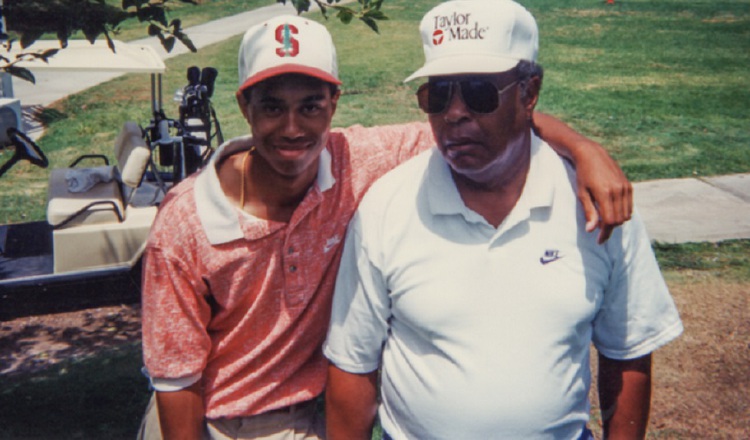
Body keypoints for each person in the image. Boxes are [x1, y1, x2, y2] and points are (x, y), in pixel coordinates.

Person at [138, 10, 633, 440]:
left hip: (312, 413)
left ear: (334, 102)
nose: (292, 128)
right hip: (214, 419)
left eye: (310, 105)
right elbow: (176, 380)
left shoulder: (360, 159)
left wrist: (584, 149)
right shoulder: (186, 220)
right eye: (271, 107)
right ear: (245, 108)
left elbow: (483, 123)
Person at [323, 1, 683, 439]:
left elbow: (627, 352)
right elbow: (353, 366)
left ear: (529, 92)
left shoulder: (593, 206)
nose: (454, 113)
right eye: (437, 94)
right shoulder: (388, 206)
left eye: (478, 91)